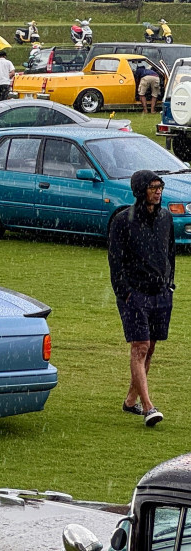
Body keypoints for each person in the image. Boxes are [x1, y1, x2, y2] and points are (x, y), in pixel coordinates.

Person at [108, 169, 175, 428]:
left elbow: (170, 254)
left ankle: (130, 401)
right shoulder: (123, 221)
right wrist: (124, 292)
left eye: (160, 186)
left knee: (151, 348)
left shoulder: (166, 219)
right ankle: (148, 407)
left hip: (160, 294)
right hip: (133, 294)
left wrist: (168, 285)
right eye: (153, 187)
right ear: (140, 190)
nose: (158, 191)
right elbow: (115, 262)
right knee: (141, 347)